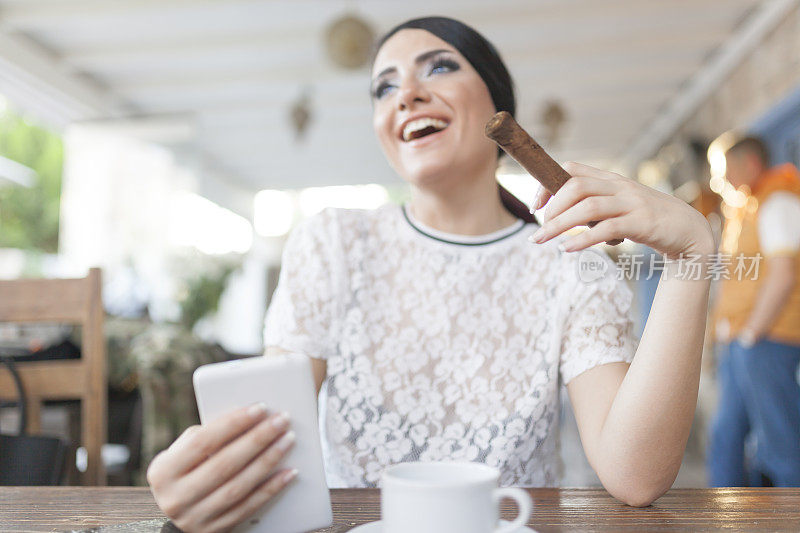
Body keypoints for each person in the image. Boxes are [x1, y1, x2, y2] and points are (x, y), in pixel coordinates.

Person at [146, 17, 714, 531]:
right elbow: (269, 442)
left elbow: (636, 476)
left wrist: (692, 254)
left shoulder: (572, 262)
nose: (407, 95)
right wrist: (205, 484)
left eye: (438, 67)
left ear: (498, 103)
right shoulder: (333, 243)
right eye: (384, 87)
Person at [707, 136, 800, 487]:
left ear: (750, 164)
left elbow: (783, 276)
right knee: (727, 438)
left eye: (724, 169)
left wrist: (750, 336)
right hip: (745, 341)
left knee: (781, 446)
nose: (719, 180)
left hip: (766, 340)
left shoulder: (778, 202)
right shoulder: (749, 206)